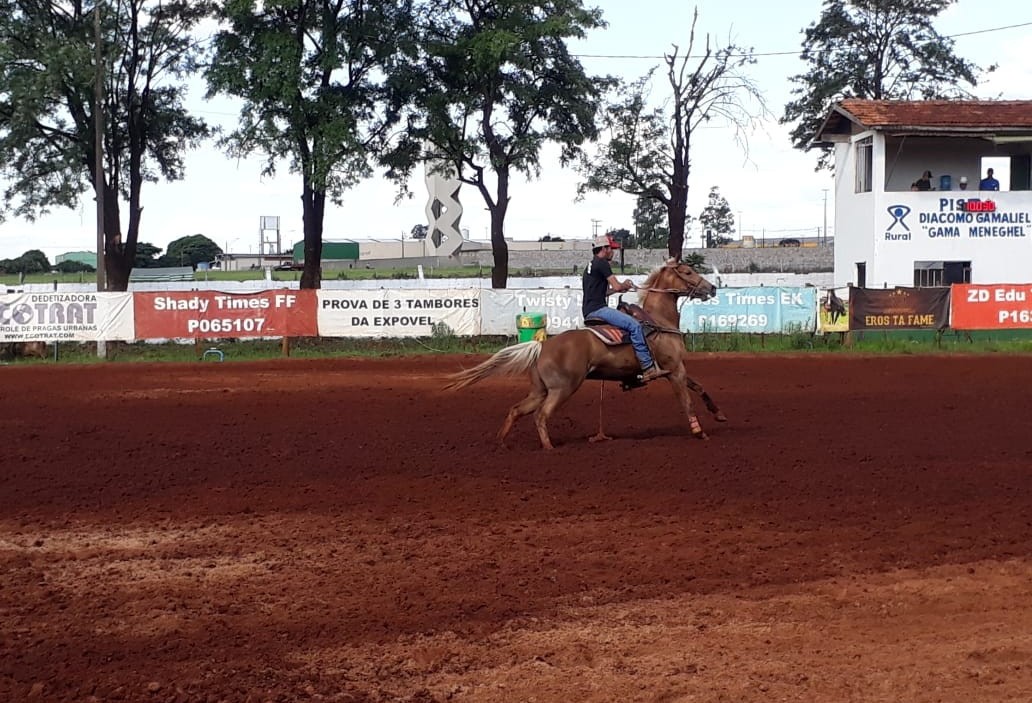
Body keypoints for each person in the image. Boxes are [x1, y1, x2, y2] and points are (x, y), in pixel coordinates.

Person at [581, 235, 670, 383]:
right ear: (604, 249)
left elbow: (605, 291)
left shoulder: (590, 265)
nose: (613, 252)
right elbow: (616, 285)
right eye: (611, 249)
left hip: (589, 309)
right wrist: (624, 285)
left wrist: (619, 289)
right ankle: (648, 367)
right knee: (634, 325)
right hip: (598, 309)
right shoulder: (602, 263)